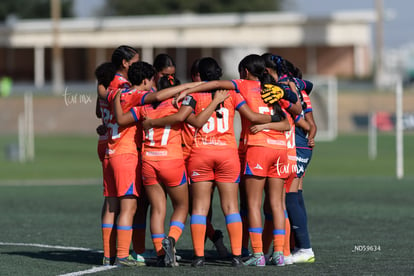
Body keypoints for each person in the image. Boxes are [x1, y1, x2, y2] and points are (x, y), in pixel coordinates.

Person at [177, 54, 292, 267]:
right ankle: (268, 254)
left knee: (212, 207)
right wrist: (275, 118)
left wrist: (188, 90)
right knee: (265, 205)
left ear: (245, 72)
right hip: (262, 151)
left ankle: (207, 255)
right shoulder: (267, 90)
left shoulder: (238, 87)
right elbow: (289, 117)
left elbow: (193, 117)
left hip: (230, 150)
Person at [112, 61, 204, 267]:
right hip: (171, 160)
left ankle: (161, 253)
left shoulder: (144, 107)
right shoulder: (178, 104)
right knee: (182, 206)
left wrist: (118, 98)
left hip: (148, 162)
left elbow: (121, 120)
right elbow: (196, 122)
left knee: (157, 208)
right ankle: (170, 239)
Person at [95, 45, 142, 267]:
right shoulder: (125, 88)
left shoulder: (105, 84)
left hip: (107, 148)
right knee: (128, 206)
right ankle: (123, 254)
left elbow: (99, 111)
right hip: (124, 149)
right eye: (135, 62)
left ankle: (108, 253)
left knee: (110, 204)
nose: (138, 67)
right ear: (125, 63)